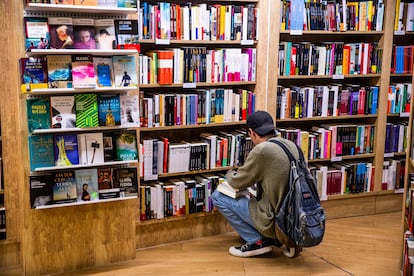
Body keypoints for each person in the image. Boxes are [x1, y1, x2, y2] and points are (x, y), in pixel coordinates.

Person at [211, 110, 301, 258]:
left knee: (218, 196)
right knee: (253, 195)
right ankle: (285, 239)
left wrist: (229, 173)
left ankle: (258, 241)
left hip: (273, 220)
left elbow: (237, 181)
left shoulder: (262, 149)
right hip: (294, 218)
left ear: (251, 132)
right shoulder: (290, 145)